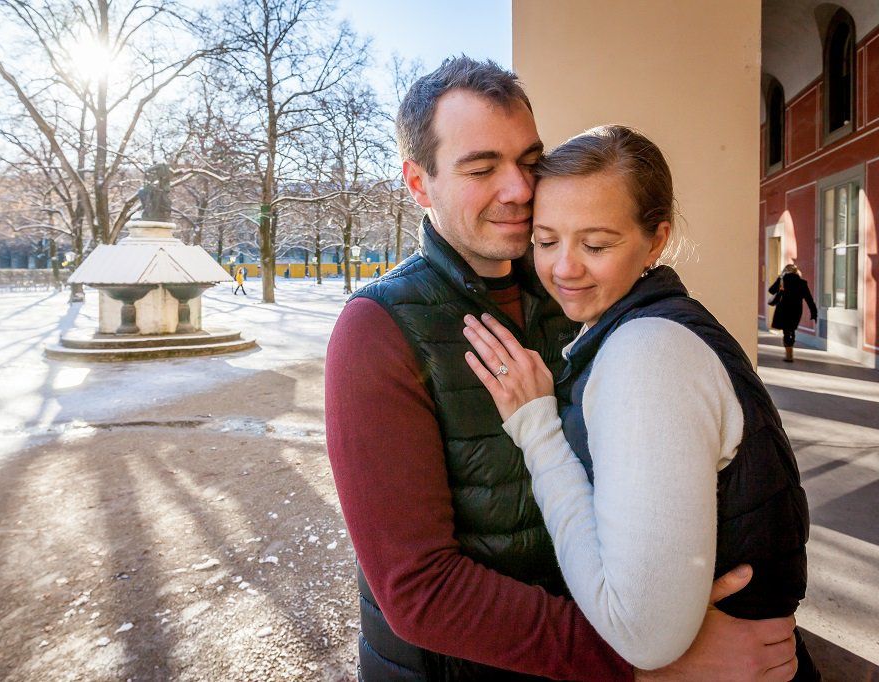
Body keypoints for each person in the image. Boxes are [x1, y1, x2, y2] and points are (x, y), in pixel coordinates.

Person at [325, 57, 799, 681]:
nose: (520, 189)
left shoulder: (570, 293)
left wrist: (658, 613)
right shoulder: (375, 331)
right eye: (481, 168)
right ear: (419, 182)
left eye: (528, 160)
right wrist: (636, 659)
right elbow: (419, 590)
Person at [462, 125, 816, 679]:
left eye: (596, 245)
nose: (563, 268)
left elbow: (642, 636)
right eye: (547, 240)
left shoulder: (648, 353)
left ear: (656, 241)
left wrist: (537, 429)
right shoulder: (652, 329)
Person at [769, 264, 817, 362]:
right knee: (792, 329)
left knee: (786, 331)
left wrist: (780, 279)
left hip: (783, 309)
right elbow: (809, 299)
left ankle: (789, 353)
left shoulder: (782, 280)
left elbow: (771, 290)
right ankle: (790, 348)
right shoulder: (802, 283)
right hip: (796, 310)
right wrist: (813, 312)